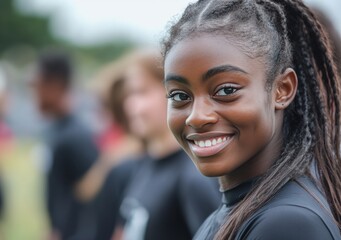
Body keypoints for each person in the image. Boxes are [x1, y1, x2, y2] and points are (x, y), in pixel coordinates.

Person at [162, 0, 341, 239]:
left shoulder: (287, 223)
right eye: (180, 96)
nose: (197, 117)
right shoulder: (236, 210)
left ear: (282, 90)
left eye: (225, 91)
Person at [114, 49, 221, 240]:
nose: (131, 106)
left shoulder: (192, 177)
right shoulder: (142, 165)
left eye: (141, 92)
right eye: (129, 95)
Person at [31, 51, 107, 240]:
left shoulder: (76, 136)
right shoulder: (55, 130)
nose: (33, 94)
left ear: (55, 85)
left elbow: (94, 196)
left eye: (36, 86)